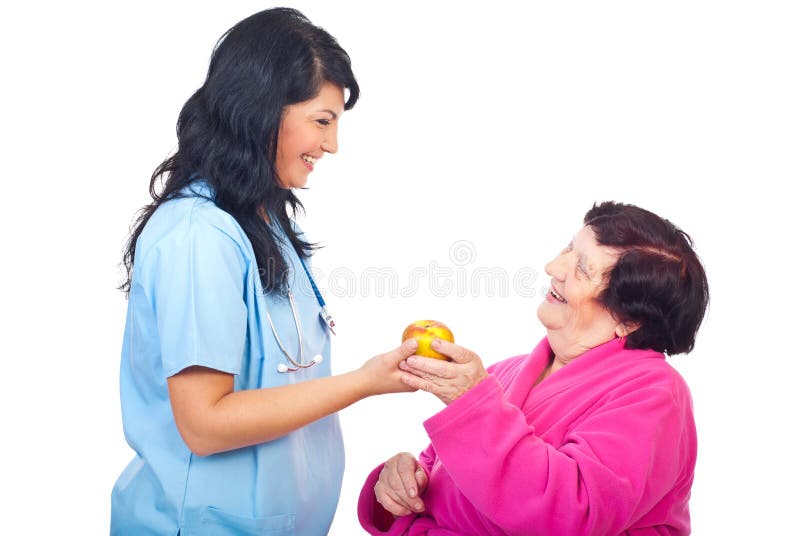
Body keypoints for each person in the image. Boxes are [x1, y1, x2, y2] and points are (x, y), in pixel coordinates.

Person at [111, 8, 418, 535]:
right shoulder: (197, 237)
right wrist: (365, 382)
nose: (332, 145)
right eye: (322, 121)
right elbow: (205, 425)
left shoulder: (260, 218)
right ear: (260, 110)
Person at [359, 201, 709, 535]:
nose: (553, 268)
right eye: (568, 248)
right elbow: (439, 479)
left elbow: (572, 515)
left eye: (582, 268)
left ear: (629, 321)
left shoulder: (655, 394)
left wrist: (474, 405)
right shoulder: (502, 373)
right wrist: (403, 483)